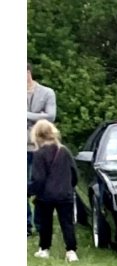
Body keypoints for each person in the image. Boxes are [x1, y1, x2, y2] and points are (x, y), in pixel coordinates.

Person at [28, 119, 78, 261]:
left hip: (46, 195)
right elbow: (74, 173)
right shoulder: (64, 150)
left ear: (36, 135)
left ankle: (44, 249)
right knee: (67, 223)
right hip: (65, 194)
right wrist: (70, 186)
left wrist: (29, 192)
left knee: (45, 222)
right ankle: (71, 251)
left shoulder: (39, 154)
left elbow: (39, 178)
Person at [27, 64, 56, 236]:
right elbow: (44, 116)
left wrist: (26, 115)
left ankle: (41, 224)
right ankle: (26, 226)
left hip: (41, 147)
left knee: (42, 187)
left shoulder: (46, 93)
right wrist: (39, 116)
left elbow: (50, 116)